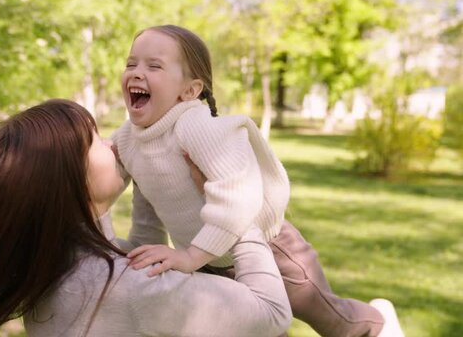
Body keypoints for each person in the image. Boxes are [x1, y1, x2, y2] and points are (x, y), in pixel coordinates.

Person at [0, 99, 292, 336]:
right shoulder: (126, 286)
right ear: (71, 180)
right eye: (97, 142)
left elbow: (123, 238)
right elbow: (272, 316)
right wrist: (241, 215)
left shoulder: (56, 264)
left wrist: (152, 180)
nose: (114, 144)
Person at [111, 25, 405, 337]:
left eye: (154, 66)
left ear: (190, 90)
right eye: (131, 64)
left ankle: (379, 325)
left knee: (332, 319)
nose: (137, 73)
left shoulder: (194, 126)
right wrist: (142, 247)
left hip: (270, 247)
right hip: (207, 261)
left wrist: (189, 256)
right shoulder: (130, 139)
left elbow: (240, 195)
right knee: (257, 330)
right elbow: (145, 201)